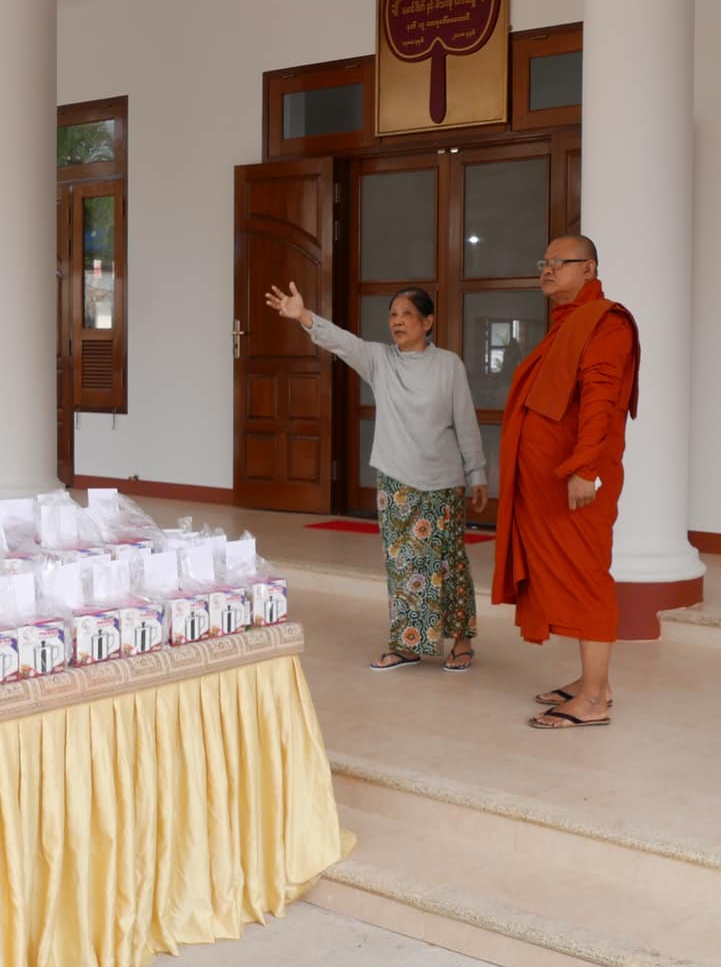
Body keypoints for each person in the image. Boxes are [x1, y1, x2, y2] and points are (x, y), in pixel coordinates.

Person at [265, 281, 489, 672]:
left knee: (448, 565)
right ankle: (407, 645)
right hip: (396, 481)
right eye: (393, 315)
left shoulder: (448, 365)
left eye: (407, 315)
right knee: (403, 567)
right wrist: (303, 315)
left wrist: (477, 471)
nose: (397, 322)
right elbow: (342, 342)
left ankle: (462, 641)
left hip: (441, 481)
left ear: (428, 322)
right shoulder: (380, 360)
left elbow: (465, 422)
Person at [492, 234, 640, 730]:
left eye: (560, 262)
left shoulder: (607, 323)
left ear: (589, 268)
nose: (548, 269)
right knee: (569, 575)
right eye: (545, 261)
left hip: (575, 479)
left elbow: (602, 399)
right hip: (549, 484)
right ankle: (593, 683)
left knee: (587, 577)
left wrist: (585, 468)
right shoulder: (568, 322)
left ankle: (593, 701)